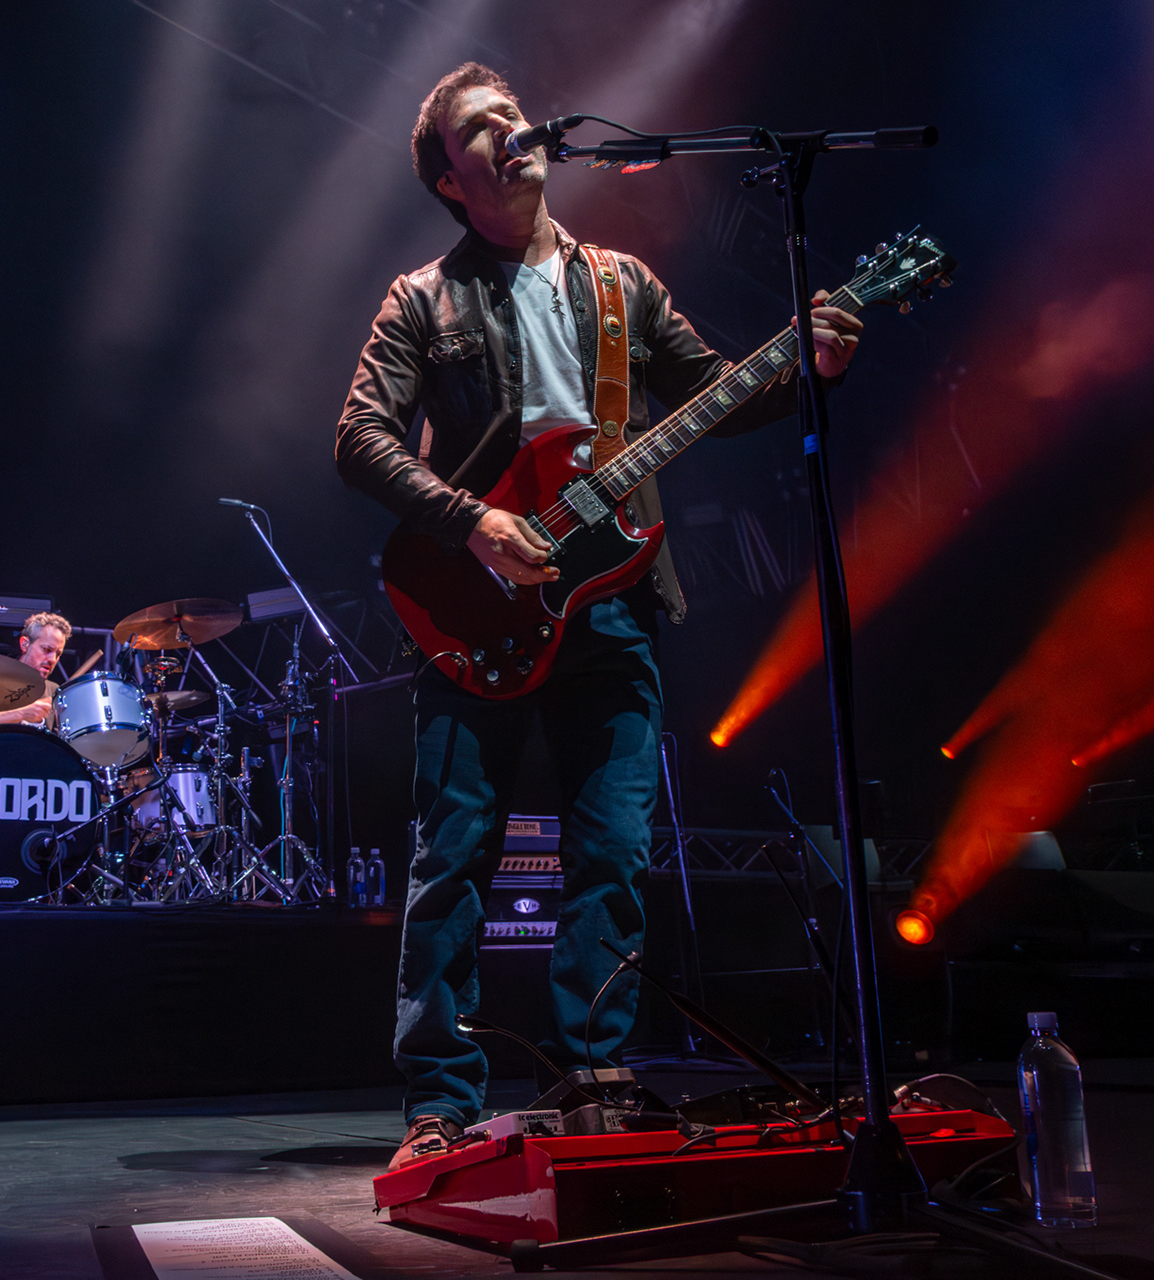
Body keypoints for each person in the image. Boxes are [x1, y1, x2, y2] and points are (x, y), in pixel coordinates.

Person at [336, 63, 864, 1169]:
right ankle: (440, 1098)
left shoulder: (621, 284)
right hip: (471, 604)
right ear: (451, 179)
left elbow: (717, 393)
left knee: (613, 851)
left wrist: (804, 369)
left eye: (513, 115)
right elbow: (361, 441)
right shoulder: (421, 298)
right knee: (454, 857)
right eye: (484, 128)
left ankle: (592, 1074)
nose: (513, 131)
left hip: (612, 605)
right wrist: (475, 522)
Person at [0, 611, 68, 736]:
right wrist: (22, 713)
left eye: (58, 654)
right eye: (47, 650)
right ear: (25, 644)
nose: (52, 659)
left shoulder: (54, 691)